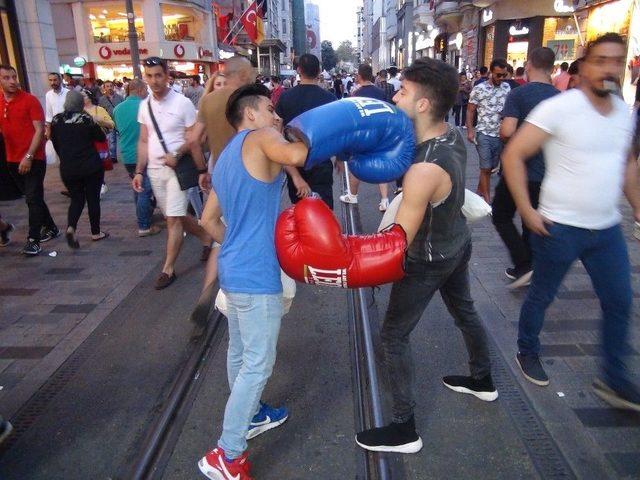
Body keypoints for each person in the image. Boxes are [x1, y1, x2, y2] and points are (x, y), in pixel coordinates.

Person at [502, 33, 640, 410]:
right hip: (558, 226)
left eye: (616, 60)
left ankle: (613, 379)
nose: (609, 68)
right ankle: (526, 350)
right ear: (582, 67)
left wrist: (638, 209)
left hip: (607, 229)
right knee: (542, 295)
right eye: (601, 60)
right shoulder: (559, 109)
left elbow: (626, 163)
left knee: (619, 301)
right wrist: (527, 211)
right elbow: (513, 154)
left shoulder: (625, 113)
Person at [197, 84, 308, 480]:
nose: (276, 116)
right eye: (269, 109)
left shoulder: (226, 157)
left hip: (234, 268)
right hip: (257, 275)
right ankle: (226, 455)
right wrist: (305, 129)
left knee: (242, 354)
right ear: (250, 115)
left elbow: (209, 222)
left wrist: (241, 244)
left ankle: (254, 413)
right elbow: (297, 154)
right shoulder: (262, 138)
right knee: (257, 365)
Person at [133, 57, 211, 290]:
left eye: (158, 75)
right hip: (155, 171)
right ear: (144, 78)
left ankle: (168, 268)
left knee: (173, 219)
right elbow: (144, 140)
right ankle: (207, 238)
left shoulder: (182, 103)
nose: (154, 81)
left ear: (167, 76)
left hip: (178, 170)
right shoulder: (144, 106)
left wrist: (178, 154)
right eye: (150, 76)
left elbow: (194, 138)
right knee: (173, 215)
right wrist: (139, 171)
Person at [493, 47, 559, 288]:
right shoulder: (561, 98)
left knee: (501, 215)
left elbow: (506, 131)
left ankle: (524, 264)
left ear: (528, 65)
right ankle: (530, 264)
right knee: (532, 218)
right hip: (548, 172)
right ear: (552, 68)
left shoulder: (519, 94)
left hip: (518, 170)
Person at [0, 64, 58, 255]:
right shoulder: (1, 102)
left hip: (34, 158)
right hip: (11, 158)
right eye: (7, 78)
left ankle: (33, 239)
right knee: (33, 198)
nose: (12, 81)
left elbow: (39, 130)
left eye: (14, 77)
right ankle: (51, 227)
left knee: (32, 197)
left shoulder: (30, 100)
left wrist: (29, 156)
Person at [276, 53, 337, 209]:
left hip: (294, 162)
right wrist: (341, 158)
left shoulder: (285, 98)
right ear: (319, 72)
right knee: (323, 212)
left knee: (299, 211)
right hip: (320, 161)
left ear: (298, 70)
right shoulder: (329, 98)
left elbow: (277, 135)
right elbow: (337, 132)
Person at [50, 90, 108, 248]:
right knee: (93, 199)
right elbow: (101, 137)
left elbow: (55, 143)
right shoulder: (85, 119)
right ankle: (96, 232)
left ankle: (71, 227)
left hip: (68, 167)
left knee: (76, 199)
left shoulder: (56, 120)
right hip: (90, 165)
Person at [339, 64, 391, 211]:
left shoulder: (355, 94)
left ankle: (353, 195)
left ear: (359, 76)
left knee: (356, 164)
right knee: (381, 164)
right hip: (379, 132)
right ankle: (384, 200)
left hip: (362, 134)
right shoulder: (380, 92)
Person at [113, 79, 159, 237]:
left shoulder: (117, 109)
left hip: (126, 154)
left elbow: (118, 129)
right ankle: (144, 224)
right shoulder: (145, 107)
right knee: (145, 190)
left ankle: (143, 215)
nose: (147, 92)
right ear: (139, 90)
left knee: (137, 186)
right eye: (145, 89)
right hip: (144, 153)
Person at [466, 58, 510, 202]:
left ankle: (480, 189)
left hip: (500, 134)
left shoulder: (507, 88)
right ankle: (486, 199)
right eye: (498, 75)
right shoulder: (479, 89)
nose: (502, 78)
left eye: (504, 75)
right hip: (483, 132)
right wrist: (470, 131)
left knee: (490, 168)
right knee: (485, 167)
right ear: (491, 73)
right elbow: (470, 110)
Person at [98, 80, 123, 163]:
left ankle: (125, 154)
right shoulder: (102, 99)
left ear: (114, 87)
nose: (109, 88)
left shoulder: (120, 97)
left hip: (119, 121)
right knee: (112, 140)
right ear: (104, 88)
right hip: (109, 122)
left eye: (111, 86)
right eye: (107, 86)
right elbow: (100, 111)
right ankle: (113, 156)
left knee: (123, 139)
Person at [44, 72, 68, 141]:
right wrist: (48, 131)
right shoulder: (48, 95)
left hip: (67, 126)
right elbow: (49, 114)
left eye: (55, 80)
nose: (52, 83)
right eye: (50, 80)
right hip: (55, 127)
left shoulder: (68, 93)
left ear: (60, 80)